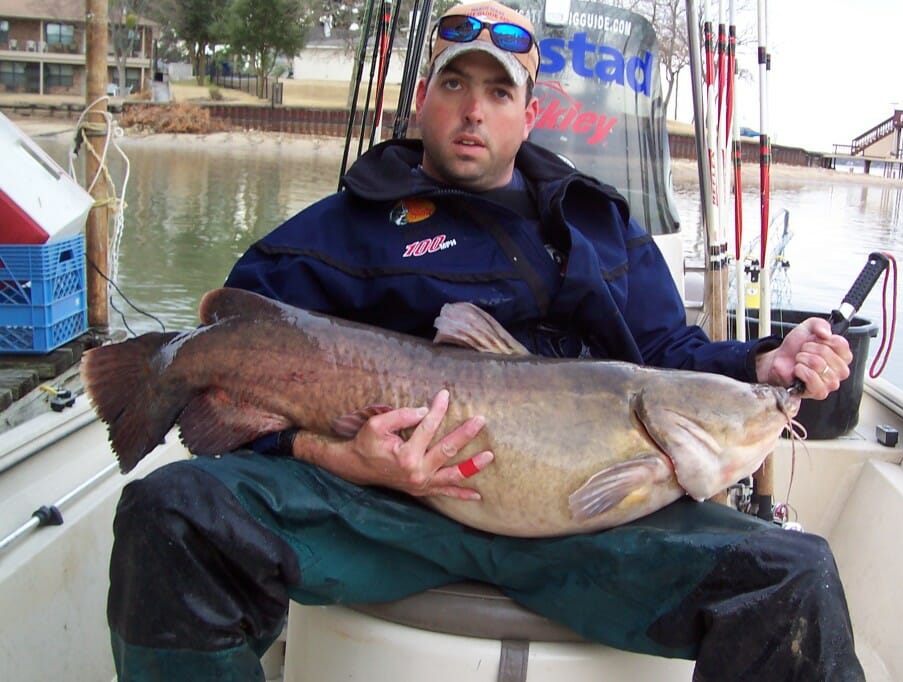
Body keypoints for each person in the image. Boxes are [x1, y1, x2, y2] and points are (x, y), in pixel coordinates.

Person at [107, 2, 864, 680]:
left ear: (530, 114)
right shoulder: (333, 234)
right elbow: (233, 373)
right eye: (455, 86)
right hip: (380, 511)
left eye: (499, 92)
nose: (474, 111)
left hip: (589, 530)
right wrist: (333, 456)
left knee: (794, 578)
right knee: (169, 514)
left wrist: (761, 361)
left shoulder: (601, 228)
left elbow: (668, 354)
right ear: (422, 101)